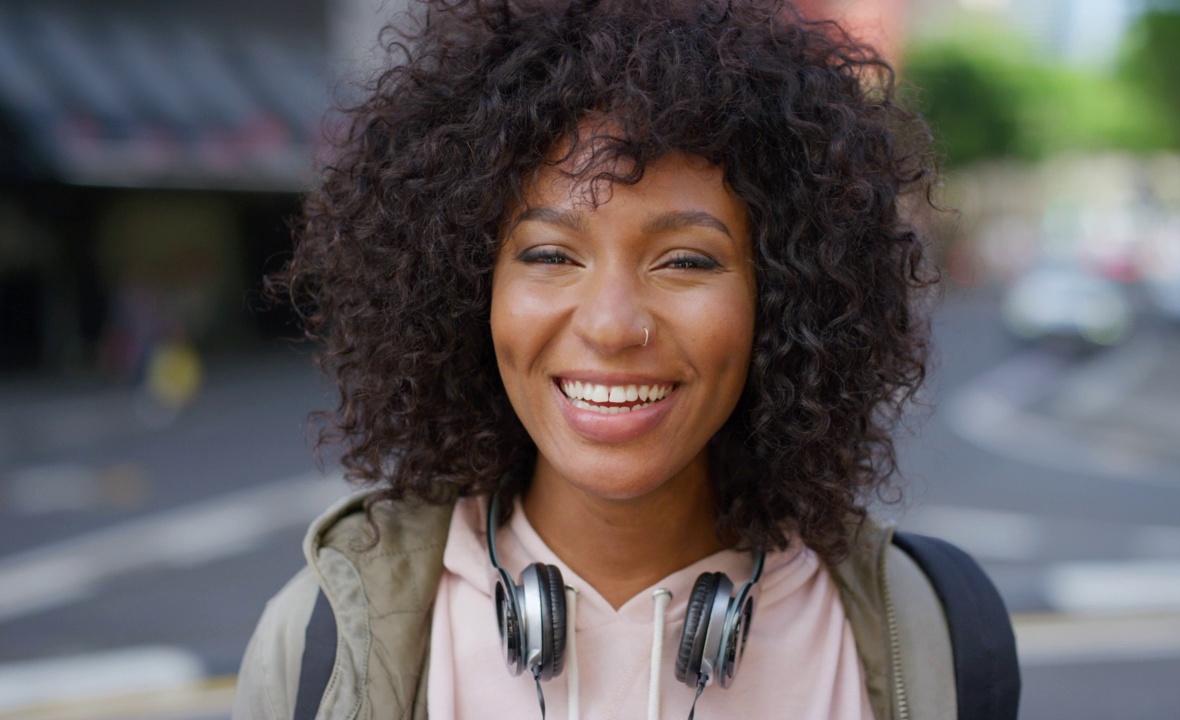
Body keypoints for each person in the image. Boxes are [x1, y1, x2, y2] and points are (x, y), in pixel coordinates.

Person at [235, 1, 1014, 718]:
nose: (611, 325)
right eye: (549, 253)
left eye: (686, 261)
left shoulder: (933, 629)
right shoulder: (318, 643)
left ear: (781, 299)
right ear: (466, 286)